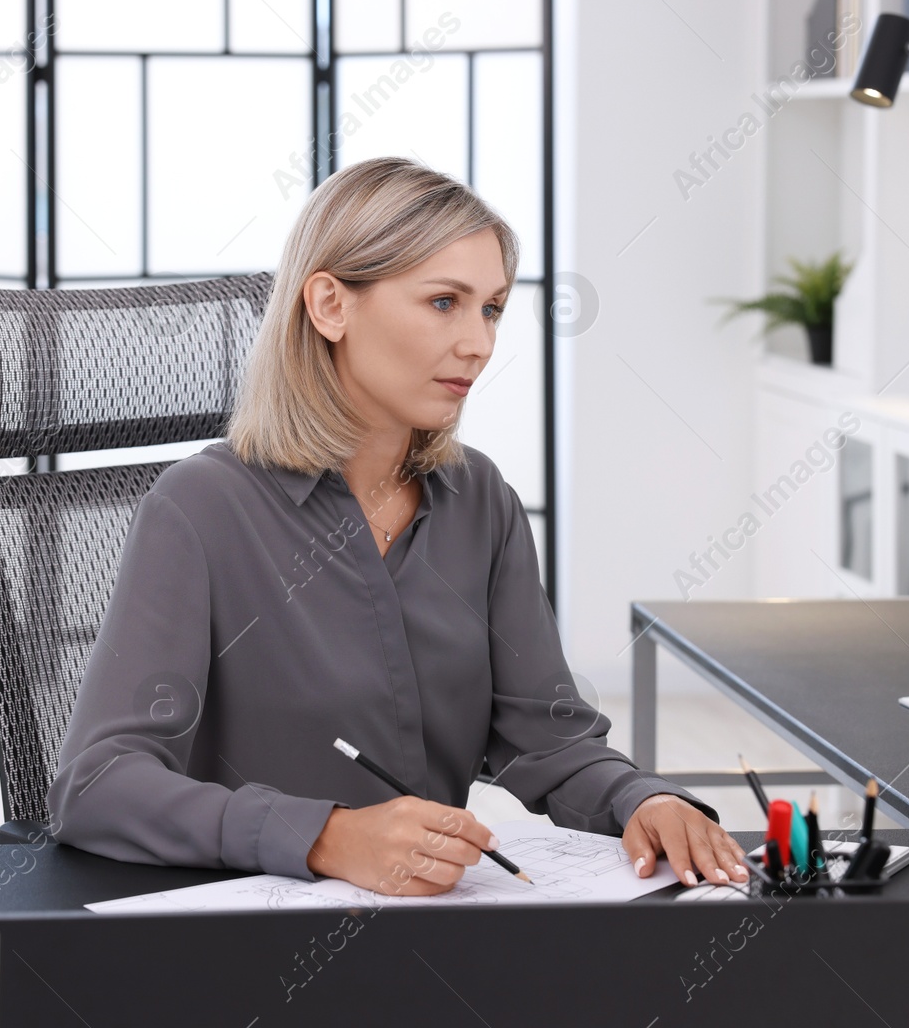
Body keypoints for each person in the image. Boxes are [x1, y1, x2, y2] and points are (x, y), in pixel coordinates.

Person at [48, 156, 748, 895]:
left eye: (492, 308)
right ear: (329, 306)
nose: (479, 343)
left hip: (434, 935)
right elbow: (96, 785)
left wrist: (645, 799)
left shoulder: (481, 500)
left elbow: (548, 738)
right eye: (445, 302)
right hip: (250, 950)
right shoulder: (200, 508)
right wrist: (325, 836)